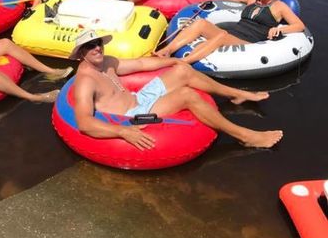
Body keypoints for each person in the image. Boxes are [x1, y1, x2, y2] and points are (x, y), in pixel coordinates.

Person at [70, 29, 283, 151]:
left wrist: (173, 59)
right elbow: (84, 123)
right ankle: (245, 136)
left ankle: (236, 93)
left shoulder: (106, 61)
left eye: (97, 42)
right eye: (89, 46)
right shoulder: (86, 81)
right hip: (132, 116)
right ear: (81, 53)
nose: (96, 48)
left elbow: (141, 65)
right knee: (187, 95)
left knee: (182, 69)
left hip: (139, 98)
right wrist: (122, 131)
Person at [156, 0, 305, 64]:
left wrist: (279, 29)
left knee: (221, 35)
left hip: (249, 41)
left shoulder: (280, 6)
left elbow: (299, 26)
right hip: (233, 32)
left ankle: (183, 62)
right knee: (200, 23)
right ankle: (167, 50)